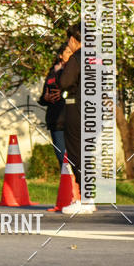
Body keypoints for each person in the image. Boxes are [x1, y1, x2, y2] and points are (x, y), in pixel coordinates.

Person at [57, 22, 96, 214]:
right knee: (86, 153)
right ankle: (89, 198)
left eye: (68, 40)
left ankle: (85, 200)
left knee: (75, 153)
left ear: (73, 40)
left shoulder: (78, 57)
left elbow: (65, 82)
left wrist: (60, 73)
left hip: (76, 108)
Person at [38, 43, 71, 168]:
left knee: (74, 156)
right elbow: (43, 96)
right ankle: (67, 184)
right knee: (61, 156)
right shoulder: (52, 72)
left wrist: (62, 94)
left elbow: (79, 92)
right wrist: (45, 98)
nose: (71, 54)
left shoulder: (74, 70)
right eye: (67, 52)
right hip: (56, 120)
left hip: (71, 118)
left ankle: (79, 184)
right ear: (61, 55)